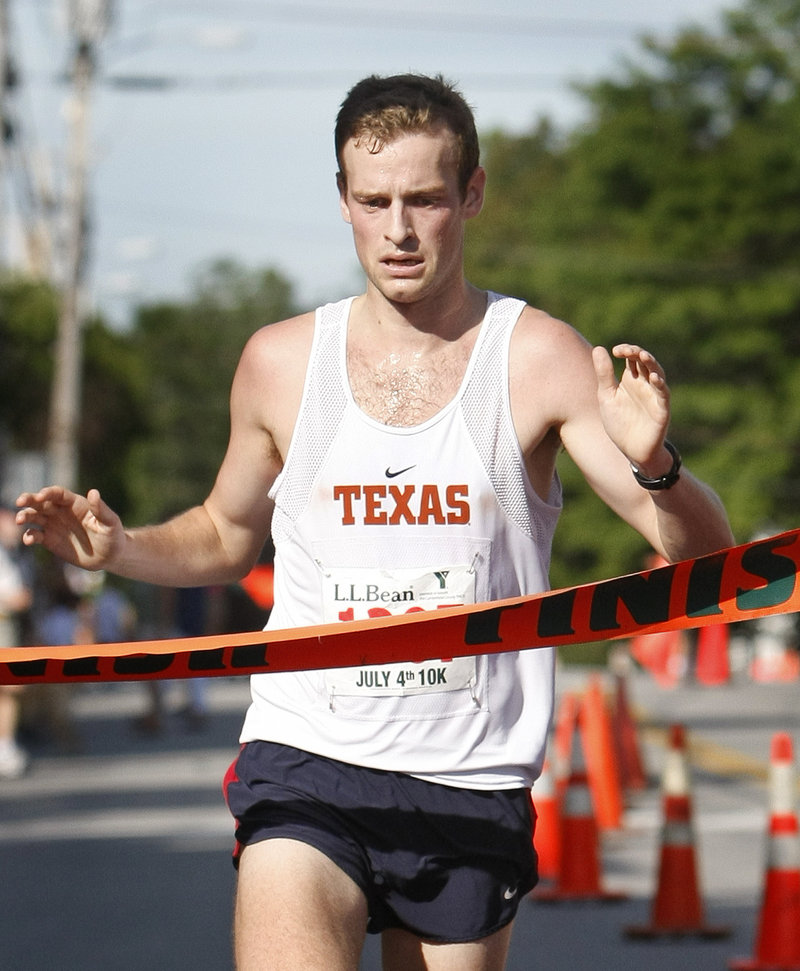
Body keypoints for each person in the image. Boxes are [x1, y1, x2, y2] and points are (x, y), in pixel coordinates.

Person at [15, 74, 733, 969]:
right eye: (374, 200)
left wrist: (658, 465)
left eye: (425, 199)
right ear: (345, 200)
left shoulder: (538, 358)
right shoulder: (279, 362)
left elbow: (708, 565)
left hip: (468, 776)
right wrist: (119, 547)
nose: (398, 229)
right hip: (307, 756)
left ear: (470, 194)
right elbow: (224, 535)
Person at [0, 505, 33, 778]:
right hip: (3, 622)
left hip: (8, 625)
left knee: (10, 690)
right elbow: (17, 596)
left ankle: (6, 746)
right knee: (8, 690)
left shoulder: (13, 554)